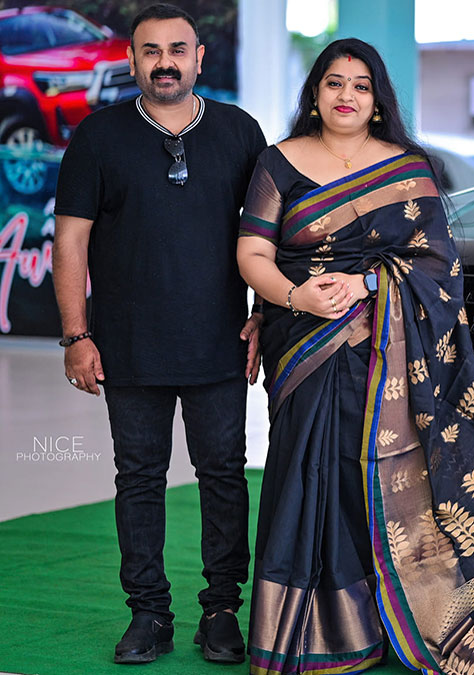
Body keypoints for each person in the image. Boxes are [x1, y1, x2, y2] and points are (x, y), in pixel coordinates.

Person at [236, 39, 474, 674]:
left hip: (384, 351)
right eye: (334, 83)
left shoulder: (409, 168)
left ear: (378, 102)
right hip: (301, 343)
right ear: (315, 93)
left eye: (361, 86)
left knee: (376, 478)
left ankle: (388, 619)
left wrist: (367, 283)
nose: (347, 96)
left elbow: (438, 267)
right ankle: (311, 633)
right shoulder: (277, 162)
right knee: (307, 474)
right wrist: (295, 296)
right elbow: (253, 252)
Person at [52, 3, 266, 665]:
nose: (165, 62)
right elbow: (70, 241)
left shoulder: (239, 131)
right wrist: (76, 336)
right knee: (139, 479)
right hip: (127, 345)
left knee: (224, 476)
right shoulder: (98, 136)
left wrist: (264, 312)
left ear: (199, 57)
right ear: (132, 59)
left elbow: (270, 233)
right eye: (151, 51)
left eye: (178, 49)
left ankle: (222, 610)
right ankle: (148, 613)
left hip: (220, 342)